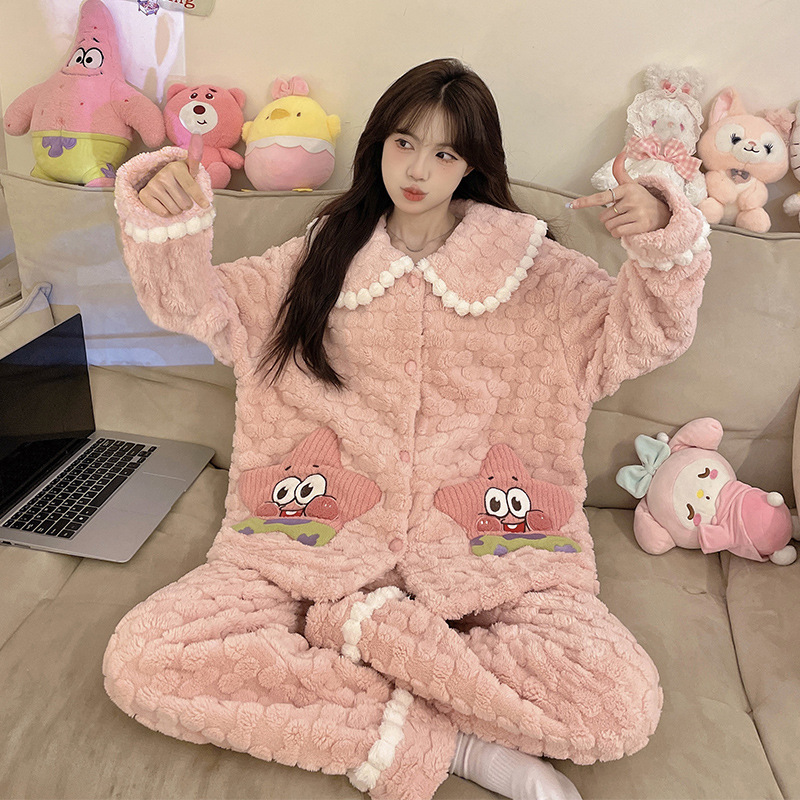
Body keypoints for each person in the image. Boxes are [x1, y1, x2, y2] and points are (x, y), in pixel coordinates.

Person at [103, 58, 711, 800]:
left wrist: (662, 235)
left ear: (473, 163)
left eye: (445, 152)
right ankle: (459, 746)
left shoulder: (537, 271)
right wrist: (166, 219)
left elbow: (644, 335)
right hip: (309, 540)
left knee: (619, 704)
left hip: (496, 552)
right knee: (142, 659)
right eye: (404, 143)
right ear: (378, 145)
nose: (418, 169)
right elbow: (198, 305)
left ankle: (361, 629)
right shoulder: (318, 258)